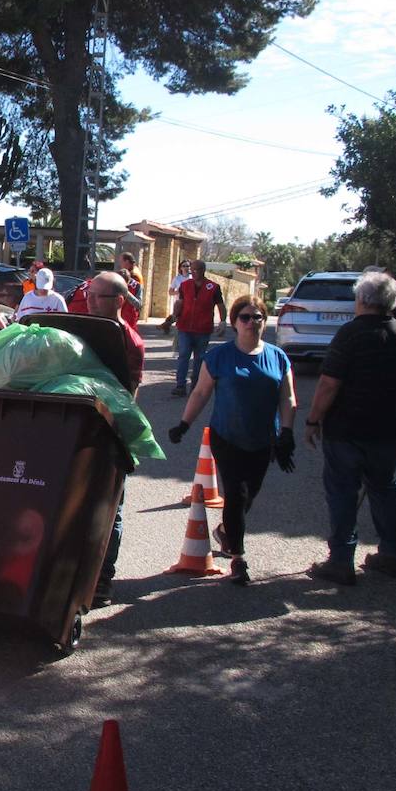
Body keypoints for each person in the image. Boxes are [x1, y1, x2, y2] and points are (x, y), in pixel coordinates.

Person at [168, 295, 297, 586]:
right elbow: (201, 393)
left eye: (258, 317)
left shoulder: (278, 356)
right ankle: (238, 558)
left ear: (265, 321)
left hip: (264, 439)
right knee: (236, 495)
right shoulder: (219, 357)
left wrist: (286, 433)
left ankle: (227, 530)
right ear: (235, 323)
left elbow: (287, 398)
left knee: (250, 494)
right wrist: (184, 424)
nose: (252, 322)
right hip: (227, 437)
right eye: (245, 317)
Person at [303, 272, 396, 585]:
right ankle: (393, 554)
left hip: (346, 431)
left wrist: (313, 420)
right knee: (385, 489)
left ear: (363, 300)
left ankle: (340, 561)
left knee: (342, 493)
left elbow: (328, 384)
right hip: (387, 430)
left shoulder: (351, 334)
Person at [83, 272, 145, 606]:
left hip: (111, 434)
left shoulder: (130, 341)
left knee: (110, 509)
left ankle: (103, 578)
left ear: (119, 301)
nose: (90, 302)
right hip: (78, 432)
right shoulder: (83, 331)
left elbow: (128, 395)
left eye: (97, 297)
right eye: (89, 295)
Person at [171, 260, 227, 396]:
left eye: (196, 270)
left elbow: (220, 305)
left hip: (203, 328)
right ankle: (180, 385)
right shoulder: (184, 285)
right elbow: (180, 302)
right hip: (185, 326)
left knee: (199, 358)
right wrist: (173, 316)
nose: (193, 272)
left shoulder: (213, 287)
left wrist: (223, 321)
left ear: (203, 270)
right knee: (183, 355)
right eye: (192, 270)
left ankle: (195, 386)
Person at [161, 259, 192, 337]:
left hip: (190, 302)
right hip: (179, 302)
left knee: (185, 319)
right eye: (184, 266)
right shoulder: (177, 279)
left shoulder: (192, 278)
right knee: (179, 318)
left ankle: (166, 324)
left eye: (187, 266)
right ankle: (169, 327)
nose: (186, 268)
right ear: (180, 268)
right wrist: (178, 292)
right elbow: (170, 292)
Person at [118, 255, 143, 330]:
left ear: (127, 262)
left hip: (129, 319)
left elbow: (138, 304)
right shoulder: (134, 271)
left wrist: (126, 292)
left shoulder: (134, 276)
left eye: (121, 261)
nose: (120, 264)